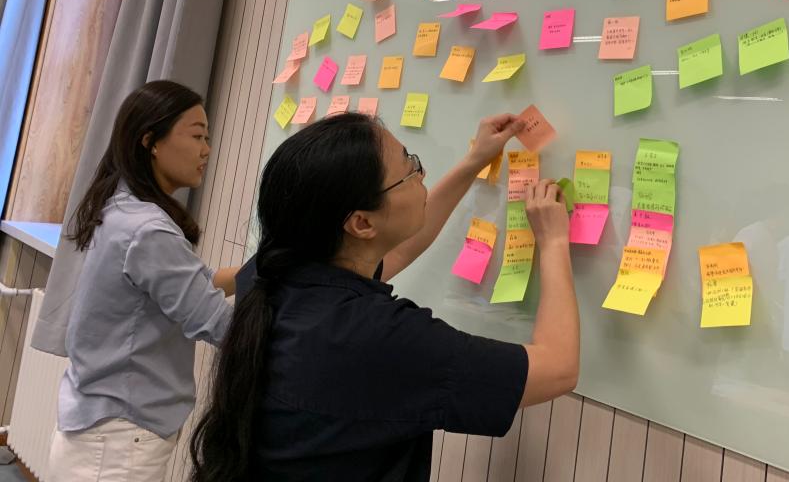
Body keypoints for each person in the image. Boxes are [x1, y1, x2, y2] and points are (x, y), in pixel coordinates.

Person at [190, 112, 580, 481]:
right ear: (361, 223)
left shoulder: (272, 273)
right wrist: (553, 241)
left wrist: (473, 162)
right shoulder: (376, 338)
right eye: (409, 169)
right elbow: (559, 368)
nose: (421, 173)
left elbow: (399, 250)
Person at [48, 80, 240, 482]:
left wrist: (266, 268)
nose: (207, 149)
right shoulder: (147, 229)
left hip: (103, 430)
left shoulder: (123, 209)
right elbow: (216, 322)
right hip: (117, 443)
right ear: (151, 141)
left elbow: (195, 283)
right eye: (197, 136)